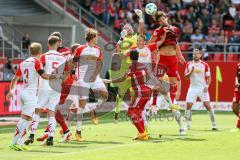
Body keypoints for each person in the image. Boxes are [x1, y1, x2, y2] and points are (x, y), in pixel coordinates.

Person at [26, 32, 75, 144]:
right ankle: (50, 137)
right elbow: (67, 71)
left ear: (48, 45)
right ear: (57, 44)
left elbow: (40, 69)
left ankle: (31, 135)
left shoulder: (44, 56)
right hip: (57, 87)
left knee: (38, 110)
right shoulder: (62, 57)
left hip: (45, 85)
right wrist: (63, 79)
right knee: (51, 111)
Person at [7, 42, 56, 151]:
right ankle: (13, 142)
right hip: (30, 94)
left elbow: (15, 78)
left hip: (24, 92)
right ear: (40, 52)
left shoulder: (23, 63)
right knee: (26, 118)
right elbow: (43, 75)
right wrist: (55, 76)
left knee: (28, 118)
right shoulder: (36, 62)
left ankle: (19, 142)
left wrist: (11, 90)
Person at [149, 11, 185, 134]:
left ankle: (172, 104)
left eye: (162, 19)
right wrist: (160, 43)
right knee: (156, 82)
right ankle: (154, 103)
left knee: (173, 82)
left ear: (166, 17)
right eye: (159, 21)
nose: (161, 22)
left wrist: (180, 55)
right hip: (162, 59)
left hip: (173, 59)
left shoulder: (175, 29)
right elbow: (150, 44)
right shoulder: (158, 31)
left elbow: (176, 43)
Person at [103, 50, 152, 140]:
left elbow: (123, 78)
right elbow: (148, 77)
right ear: (138, 57)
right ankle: (142, 133)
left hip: (140, 93)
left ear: (130, 57)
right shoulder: (143, 65)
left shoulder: (132, 67)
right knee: (138, 113)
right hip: (147, 91)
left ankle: (142, 134)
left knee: (131, 112)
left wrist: (110, 81)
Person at [70, 28, 108, 125]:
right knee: (81, 105)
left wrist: (95, 75)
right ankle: (78, 131)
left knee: (105, 95)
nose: (98, 38)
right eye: (96, 36)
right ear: (92, 37)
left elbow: (99, 64)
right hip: (83, 78)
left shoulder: (98, 50)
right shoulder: (80, 49)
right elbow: (74, 62)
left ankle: (92, 109)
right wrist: (73, 73)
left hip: (94, 77)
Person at [113, 9, 145, 121]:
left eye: (128, 27)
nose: (127, 29)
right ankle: (116, 112)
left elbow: (141, 30)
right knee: (120, 94)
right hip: (125, 68)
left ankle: (135, 113)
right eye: (125, 28)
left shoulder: (135, 37)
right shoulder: (122, 39)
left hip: (135, 68)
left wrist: (141, 17)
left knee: (134, 93)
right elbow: (116, 53)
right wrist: (120, 39)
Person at [184, 48, 217, 130]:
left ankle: (214, 124)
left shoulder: (205, 65)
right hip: (192, 88)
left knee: (207, 106)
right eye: (194, 54)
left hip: (202, 88)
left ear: (200, 55)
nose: (195, 55)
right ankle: (187, 124)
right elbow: (186, 77)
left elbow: (209, 77)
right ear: (193, 55)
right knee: (188, 106)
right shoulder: (189, 64)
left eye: (197, 53)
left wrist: (206, 86)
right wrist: (190, 72)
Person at [232, 62, 240, 130]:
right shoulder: (238, 64)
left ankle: (238, 126)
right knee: (234, 109)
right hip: (237, 89)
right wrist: (236, 83)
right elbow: (237, 76)